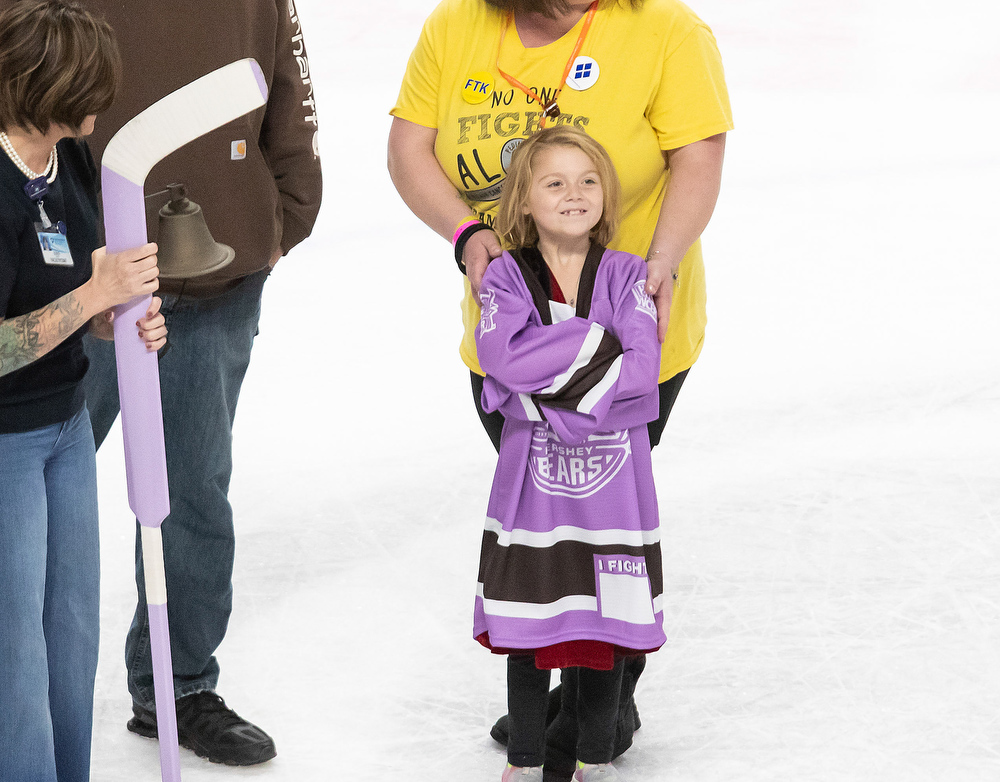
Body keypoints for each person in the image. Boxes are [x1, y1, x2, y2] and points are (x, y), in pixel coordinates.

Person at [388, 0, 731, 776]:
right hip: (515, 342)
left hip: (640, 315)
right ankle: (567, 687)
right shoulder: (456, 28)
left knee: (601, 521)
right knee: (547, 523)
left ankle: (590, 714)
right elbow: (411, 149)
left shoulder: (667, 30)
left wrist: (661, 263)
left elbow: (699, 157)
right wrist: (469, 236)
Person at [79, 0, 323, 767]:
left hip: (215, 277)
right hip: (75, 280)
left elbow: (288, 89)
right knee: (24, 487)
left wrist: (278, 218)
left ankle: (178, 686)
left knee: (193, 493)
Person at [0, 2, 166, 779]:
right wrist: (93, 298)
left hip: (66, 424)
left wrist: (122, 322)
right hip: (4, 440)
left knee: (70, 628)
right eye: (93, 84)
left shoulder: (69, 161)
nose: (106, 98)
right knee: (13, 642)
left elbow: (85, 303)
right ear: (47, 85)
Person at [475, 126, 663, 782]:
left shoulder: (627, 273)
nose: (574, 194)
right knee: (531, 629)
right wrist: (596, 346)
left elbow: (644, 376)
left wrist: (540, 380)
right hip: (535, 491)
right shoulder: (504, 277)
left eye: (587, 181)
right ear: (524, 199)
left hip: (613, 495)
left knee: (602, 628)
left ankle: (594, 758)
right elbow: (497, 362)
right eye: (554, 182)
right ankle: (525, 761)